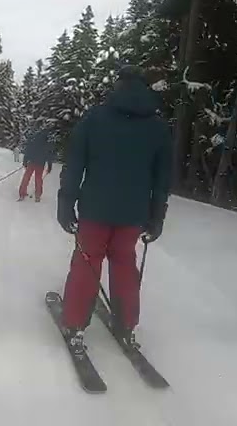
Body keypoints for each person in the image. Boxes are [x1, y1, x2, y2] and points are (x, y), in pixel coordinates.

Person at [57, 65, 172, 352]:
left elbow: (74, 165)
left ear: (118, 86)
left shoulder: (95, 118)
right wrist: (156, 217)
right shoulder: (157, 127)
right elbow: (162, 179)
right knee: (124, 265)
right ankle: (127, 324)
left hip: (95, 210)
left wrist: (65, 202)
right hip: (133, 215)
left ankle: (74, 323)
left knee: (87, 262)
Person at [18, 128, 54, 202]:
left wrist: (25, 161)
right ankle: (38, 195)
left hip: (31, 162)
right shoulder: (47, 143)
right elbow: (49, 155)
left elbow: (28, 150)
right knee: (38, 179)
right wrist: (49, 166)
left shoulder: (34, 141)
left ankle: (22, 193)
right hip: (40, 163)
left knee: (26, 177)